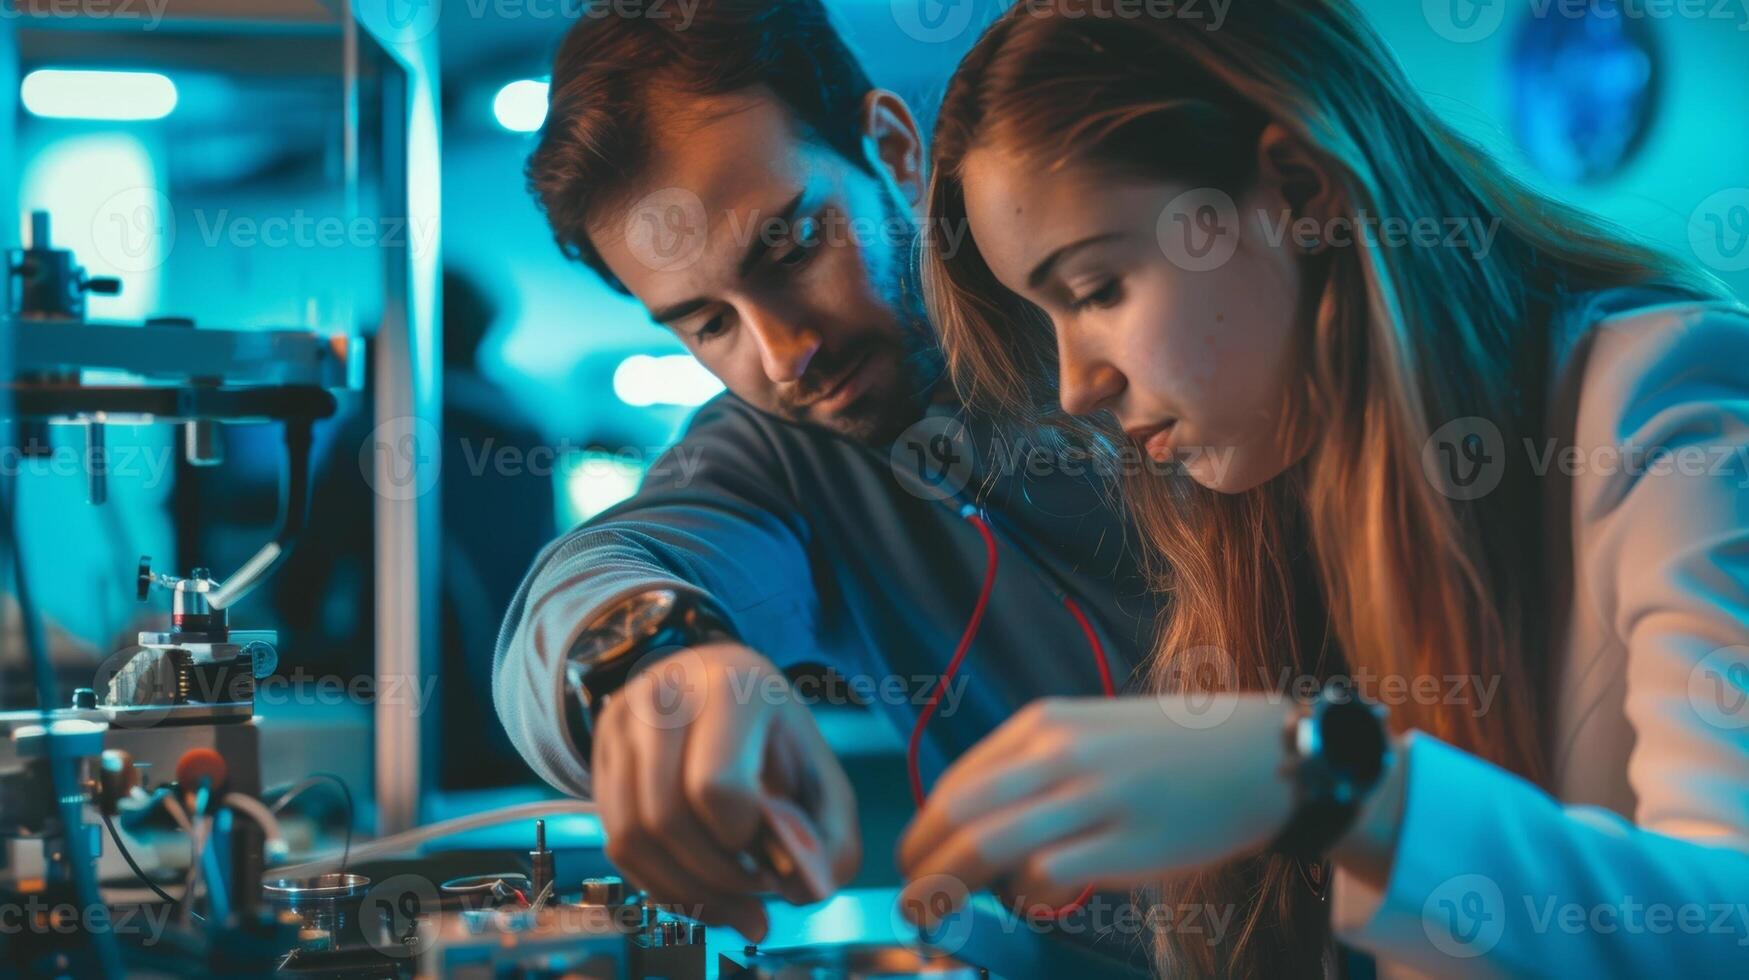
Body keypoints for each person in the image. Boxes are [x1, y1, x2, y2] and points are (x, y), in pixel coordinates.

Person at [898, 1, 1749, 977]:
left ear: (1297, 189)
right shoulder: (1274, 493)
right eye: (1047, 316)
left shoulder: (1670, 400)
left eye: (1096, 290)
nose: (1075, 384)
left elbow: (1730, 921)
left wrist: (1326, 779)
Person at [492, 0, 1161, 961]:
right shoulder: (780, 455)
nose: (783, 353)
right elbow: (597, 574)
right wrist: (654, 661)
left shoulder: (1134, 321)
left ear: (890, 149)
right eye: (706, 323)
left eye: (791, 246)